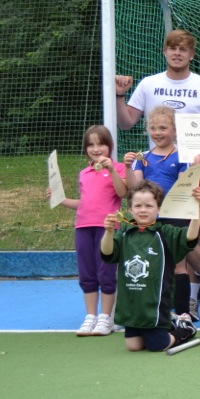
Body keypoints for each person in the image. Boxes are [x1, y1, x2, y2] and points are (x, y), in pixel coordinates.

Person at [114, 28, 200, 319]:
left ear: (191, 55)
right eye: (172, 48)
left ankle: (194, 298)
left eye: (183, 49)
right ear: (165, 51)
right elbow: (125, 123)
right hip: (157, 174)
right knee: (171, 239)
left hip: (195, 172)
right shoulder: (149, 84)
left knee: (192, 239)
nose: (177, 53)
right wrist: (120, 95)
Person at [123, 106, 200, 328]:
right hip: (149, 219)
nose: (158, 132)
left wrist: (195, 168)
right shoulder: (142, 158)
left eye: (163, 128)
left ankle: (184, 312)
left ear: (174, 131)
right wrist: (128, 167)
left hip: (175, 216)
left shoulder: (182, 157)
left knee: (178, 265)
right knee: (152, 265)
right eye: (153, 128)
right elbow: (135, 189)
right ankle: (154, 310)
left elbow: (183, 188)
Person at [100, 180, 200, 352]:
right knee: (134, 346)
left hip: (155, 304)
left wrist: (197, 208)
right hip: (132, 304)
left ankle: (184, 327)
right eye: (138, 206)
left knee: (158, 345)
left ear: (159, 208)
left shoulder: (165, 233)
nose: (143, 210)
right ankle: (170, 322)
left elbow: (190, 238)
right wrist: (109, 232)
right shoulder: (124, 232)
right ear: (130, 209)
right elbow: (107, 253)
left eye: (149, 205)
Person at [46, 125, 128, 336]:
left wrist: (111, 170)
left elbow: (123, 192)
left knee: (106, 272)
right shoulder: (84, 173)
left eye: (100, 143)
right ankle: (90, 316)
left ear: (109, 146)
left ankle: (106, 318)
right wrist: (60, 199)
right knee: (87, 273)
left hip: (107, 229)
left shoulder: (117, 168)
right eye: (90, 145)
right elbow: (84, 203)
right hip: (83, 227)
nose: (96, 148)